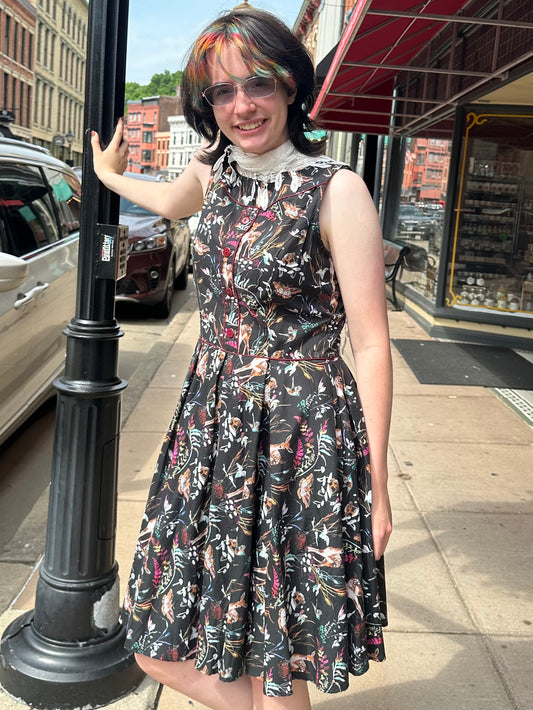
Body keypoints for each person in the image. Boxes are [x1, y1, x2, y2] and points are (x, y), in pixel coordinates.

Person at [91, 5, 392, 709]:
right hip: (213, 426)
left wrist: (377, 486)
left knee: (275, 650)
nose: (241, 105)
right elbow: (167, 200)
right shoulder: (215, 171)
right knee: (161, 643)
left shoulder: (335, 190)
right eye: (221, 93)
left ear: (290, 84)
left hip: (301, 436)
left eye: (256, 84)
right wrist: (108, 179)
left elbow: (373, 343)